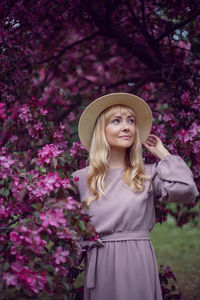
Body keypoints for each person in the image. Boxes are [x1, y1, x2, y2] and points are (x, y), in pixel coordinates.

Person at [72, 93, 199, 300]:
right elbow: (69, 229)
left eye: (131, 120)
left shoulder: (147, 174)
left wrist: (163, 154)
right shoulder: (80, 179)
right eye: (116, 121)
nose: (127, 127)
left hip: (137, 262)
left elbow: (187, 190)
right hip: (101, 263)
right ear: (101, 131)